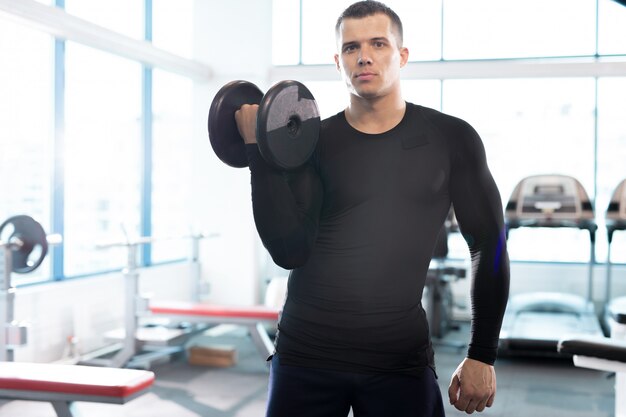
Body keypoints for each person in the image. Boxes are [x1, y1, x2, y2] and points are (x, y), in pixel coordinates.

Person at [235, 1, 510, 416]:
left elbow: (488, 244)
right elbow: (288, 250)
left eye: (378, 43)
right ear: (338, 62)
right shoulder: (312, 143)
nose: (364, 55)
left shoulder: (452, 139)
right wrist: (258, 153)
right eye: (351, 47)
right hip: (306, 354)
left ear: (401, 55)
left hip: (398, 360)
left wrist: (482, 352)